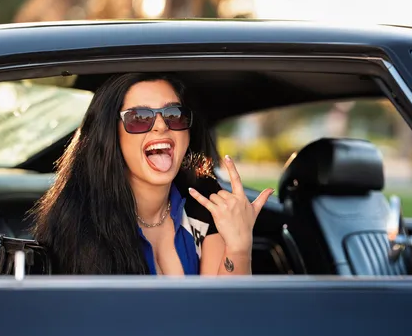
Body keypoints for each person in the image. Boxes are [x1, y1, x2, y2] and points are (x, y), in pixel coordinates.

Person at [31, 72, 273, 275]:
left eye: (174, 115)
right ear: (111, 136)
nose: (161, 125)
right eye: (139, 118)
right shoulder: (79, 223)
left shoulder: (202, 204)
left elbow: (223, 316)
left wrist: (239, 247)